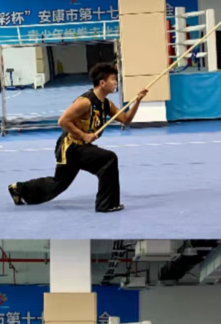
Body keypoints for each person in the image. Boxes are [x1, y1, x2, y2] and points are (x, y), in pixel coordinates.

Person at [8, 63, 148, 213]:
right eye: (113, 79)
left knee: (59, 184)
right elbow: (62, 121)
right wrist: (84, 135)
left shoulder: (106, 104)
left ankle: (19, 189)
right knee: (108, 159)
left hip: (81, 147)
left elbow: (126, 119)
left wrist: (138, 101)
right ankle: (106, 204)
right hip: (70, 147)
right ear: (102, 83)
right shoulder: (85, 102)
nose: (115, 82)